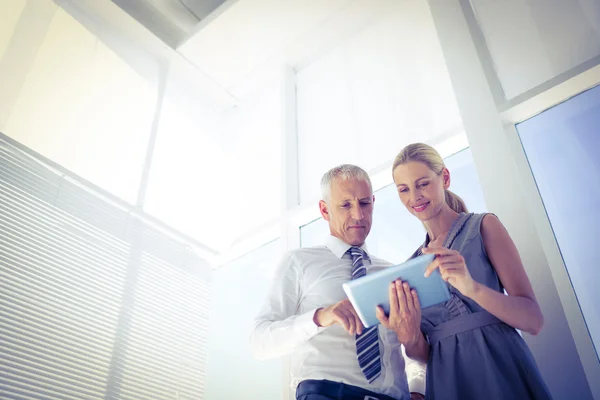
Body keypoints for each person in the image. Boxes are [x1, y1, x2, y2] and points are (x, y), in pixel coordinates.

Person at [378, 142, 552, 399]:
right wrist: (409, 336)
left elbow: (533, 320)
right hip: (447, 382)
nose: (414, 197)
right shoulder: (411, 267)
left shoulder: (483, 227)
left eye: (423, 183)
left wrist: (472, 288)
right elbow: (423, 355)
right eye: (404, 189)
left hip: (501, 367)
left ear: (445, 178)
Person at [251, 164, 426, 400]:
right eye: (345, 205)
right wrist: (320, 316)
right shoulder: (299, 262)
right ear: (324, 210)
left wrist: (418, 389)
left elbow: (418, 348)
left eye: (365, 203)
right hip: (327, 393)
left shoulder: (393, 273)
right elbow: (259, 341)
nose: (358, 215)